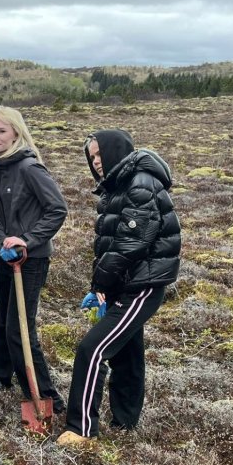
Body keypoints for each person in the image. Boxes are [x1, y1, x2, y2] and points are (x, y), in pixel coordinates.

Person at [57, 130, 180, 447]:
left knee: (93, 349)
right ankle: (126, 422)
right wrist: (103, 286)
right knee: (127, 353)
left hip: (141, 285)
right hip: (126, 282)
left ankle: (81, 429)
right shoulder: (119, 184)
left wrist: (101, 282)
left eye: (100, 154)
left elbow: (131, 243)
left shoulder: (140, 183)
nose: (96, 162)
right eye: (92, 156)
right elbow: (114, 242)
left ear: (115, 151)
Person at [0, 106, 67, 413]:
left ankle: (46, 396)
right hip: (5, 257)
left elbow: (57, 209)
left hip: (31, 260)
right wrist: (0, 240)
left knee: (19, 327)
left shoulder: (30, 168)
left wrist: (26, 240)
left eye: (1, 131)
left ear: (15, 133)